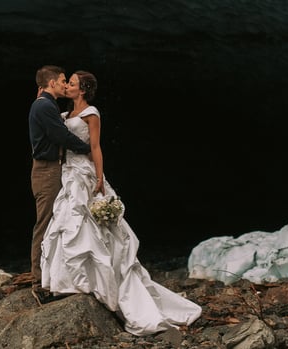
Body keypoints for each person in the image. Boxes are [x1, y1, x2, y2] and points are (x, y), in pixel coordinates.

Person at [40, 70, 202, 336]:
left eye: (71, 83)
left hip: (85, 172)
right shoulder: (64, 115)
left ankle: (103, 285)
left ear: (82, 90)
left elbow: (95, 146)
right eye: (66, 82)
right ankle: (71, 281)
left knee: (92, 228)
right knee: (68, 224)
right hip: (68, 173)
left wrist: (100, 177)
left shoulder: (91, 113)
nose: (67, 86)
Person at [28, 65, 91, 301]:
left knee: (56, 223)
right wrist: (89, 149)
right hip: (46, 170)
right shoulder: (44, 105)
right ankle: (38, 283)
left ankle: (53, 278)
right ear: (52, 83)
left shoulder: (45, 104)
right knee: (44, 224)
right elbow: (60, 135)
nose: (66, 84)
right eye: (63, 80)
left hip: (53, 169)